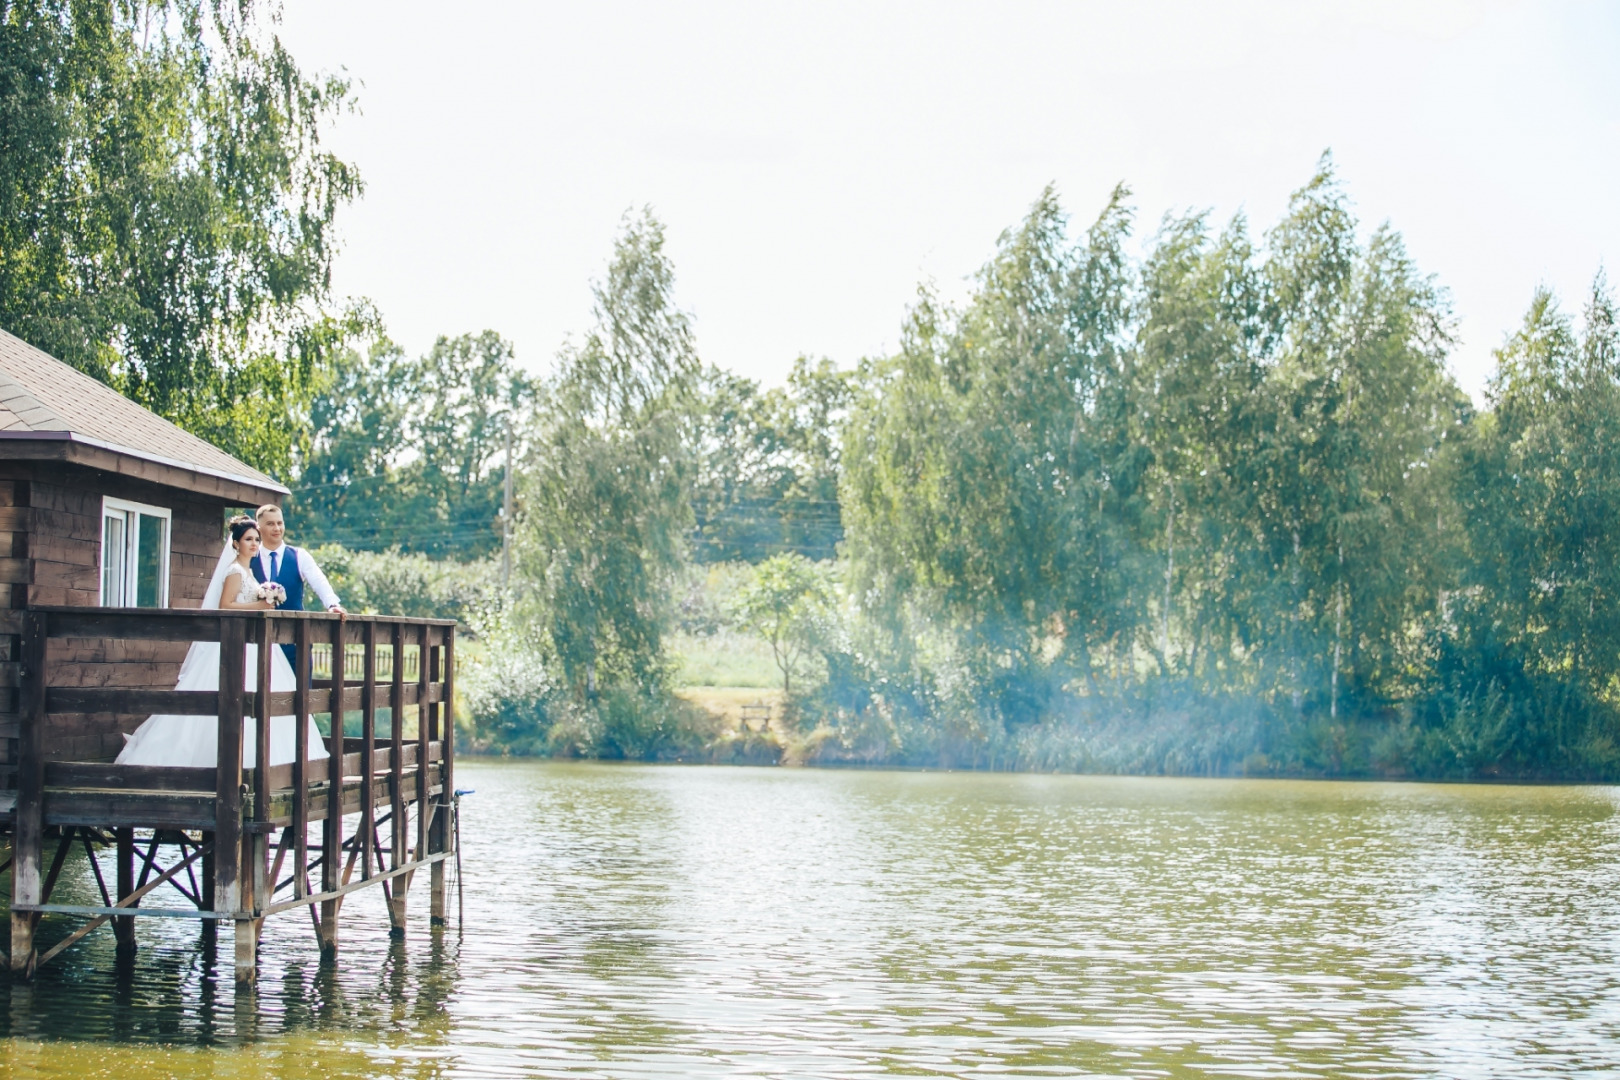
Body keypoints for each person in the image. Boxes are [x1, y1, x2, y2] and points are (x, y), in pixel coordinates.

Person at [116, 516, 329, 768]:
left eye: (256, 540)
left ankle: (281, 763)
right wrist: (261, 605)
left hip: (255, 645)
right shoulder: (235, 571)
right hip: (238, 646)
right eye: (249, 539)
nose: (254, 544)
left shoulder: (248, 571)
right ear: (236, 544)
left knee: (269, 700)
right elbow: (226, 605)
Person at [252, 503, 345, 666]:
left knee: (300, 690)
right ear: (258, 527)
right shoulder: (250, 557)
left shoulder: (299, 556)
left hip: (295, 641)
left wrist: (332, 604)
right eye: (270, 524)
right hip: (257, 640)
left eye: (280, 523)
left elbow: (319, 581)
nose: (277, 528)